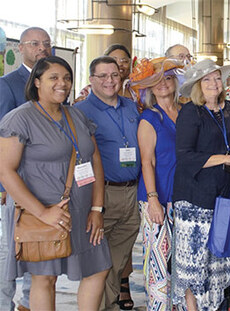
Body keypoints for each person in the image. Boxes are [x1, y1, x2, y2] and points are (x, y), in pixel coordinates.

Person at [0, 56, 111, 310]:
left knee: (98, 269)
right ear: (36, 82)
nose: (63, 83)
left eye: (67, 78)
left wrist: (97, 209)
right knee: (45, 279)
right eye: (54, 78)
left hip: (83, 213)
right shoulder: (20, 119)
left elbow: (94, 160)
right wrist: (43, 213)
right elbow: (5, 171)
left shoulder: (77, 116)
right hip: (44, 212)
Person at [172, 59, 230, 310]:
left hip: (224, 196)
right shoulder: (190, 112)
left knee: (218, 262)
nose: (214, 83)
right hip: (194, 198)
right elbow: (185, 157)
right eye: (207, 79)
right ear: (197, 85)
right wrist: (228, 158)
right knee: (193, 264)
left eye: (217, 78)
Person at [74, 56, 141, 311]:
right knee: (96, 266)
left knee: (115, 263)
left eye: (114, 75)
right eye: (102, 76)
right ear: (91, 80)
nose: (109, 81)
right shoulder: (81, 112)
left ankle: (109, 306)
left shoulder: (131, 106)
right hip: (101, 197)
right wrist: (93, 206)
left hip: (131, 194)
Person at [0, 26, 51, 311]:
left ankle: (30, 304)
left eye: (46, 43)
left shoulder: (55, 82)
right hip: (16, 183)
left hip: (47, 184)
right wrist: (3, 186)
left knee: (39, 251)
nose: (41, 48)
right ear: (21, 48)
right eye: (34, 43)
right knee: (11, 252)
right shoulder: (8, 84)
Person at [132, 57, 184, 310]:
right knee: (159, 261)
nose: (163, 84)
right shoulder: (149, 118)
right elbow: (147, 162)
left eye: (168, 78)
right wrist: (153, 199)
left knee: (182, 262)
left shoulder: (185, 112)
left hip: (183, 197)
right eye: (157, 80)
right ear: (149, 87)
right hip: (158, 197)